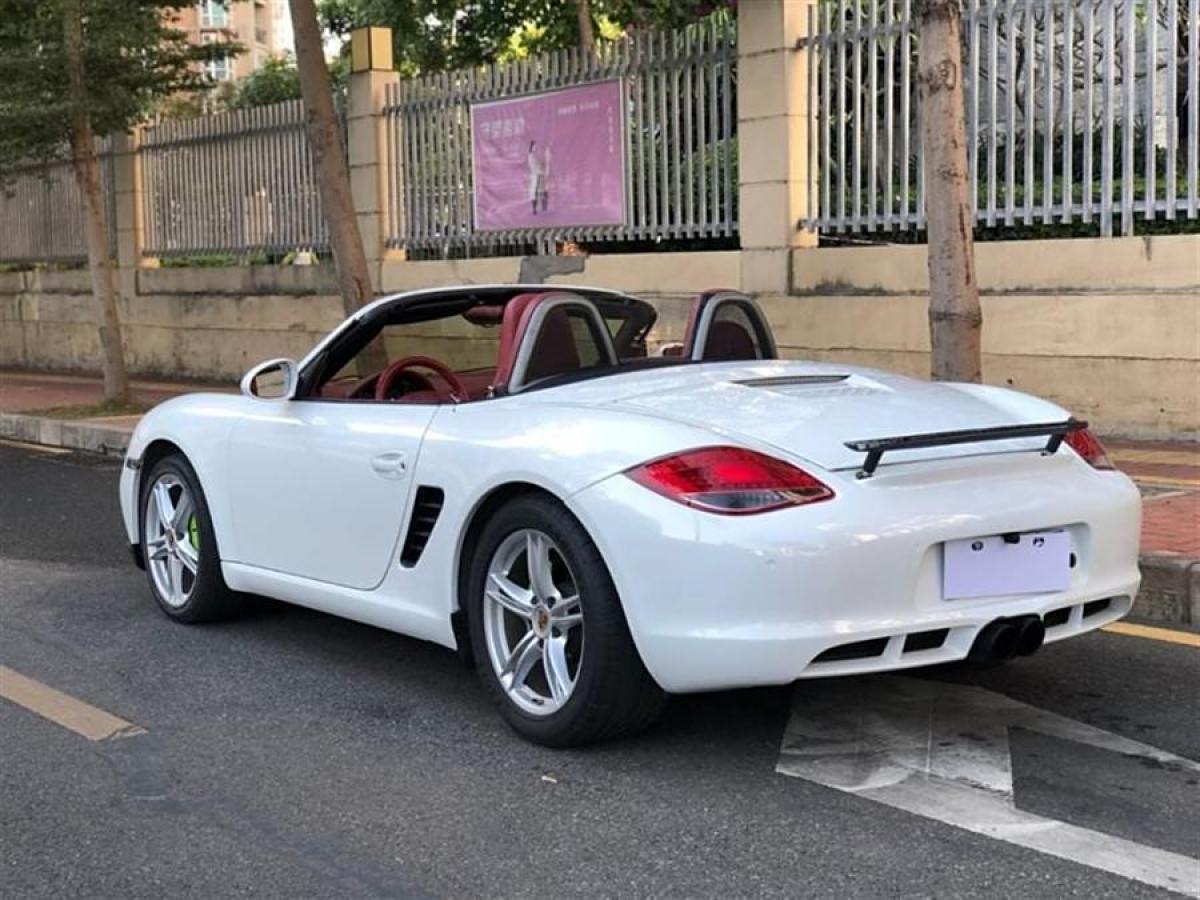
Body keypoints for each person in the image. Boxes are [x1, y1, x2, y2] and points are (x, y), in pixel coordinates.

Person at [527, 141, 545, 216]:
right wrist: (540, 171)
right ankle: (534, 209)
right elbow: (534, 166)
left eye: (536, 146)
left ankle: (539, 208)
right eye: (534, 146)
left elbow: (539, 165)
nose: (535, 148)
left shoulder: (535, 156)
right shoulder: (531, 156)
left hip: (538, 175)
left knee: (538, 192)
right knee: (534, 192)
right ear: (532, 147)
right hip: (535, 176)